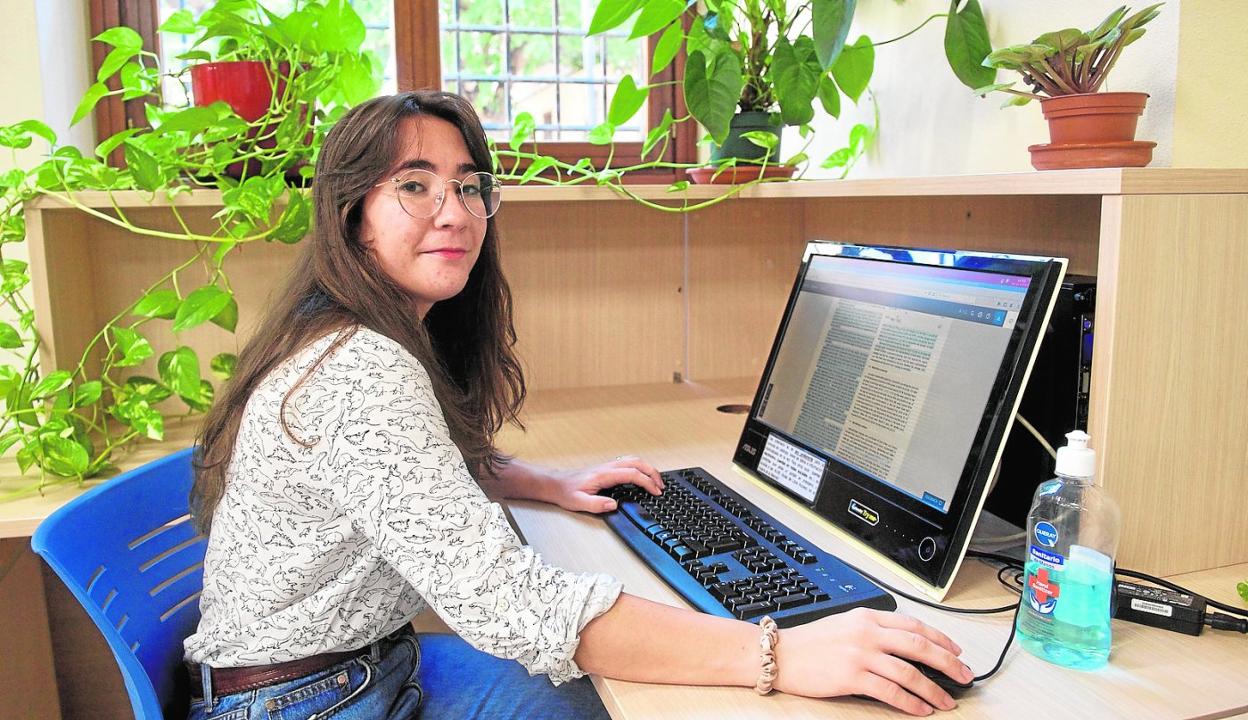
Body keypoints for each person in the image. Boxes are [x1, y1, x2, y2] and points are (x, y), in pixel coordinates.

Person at [184, 90, 975, 720]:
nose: (455, 212)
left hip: (345, 669)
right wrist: (783, 653)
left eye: (467, 186)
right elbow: (513, 607)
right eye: (415, 187)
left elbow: (412, 473)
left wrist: (547, 485)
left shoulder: (357, 335)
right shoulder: (358, 368)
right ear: (351, 215)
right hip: (306, 701)